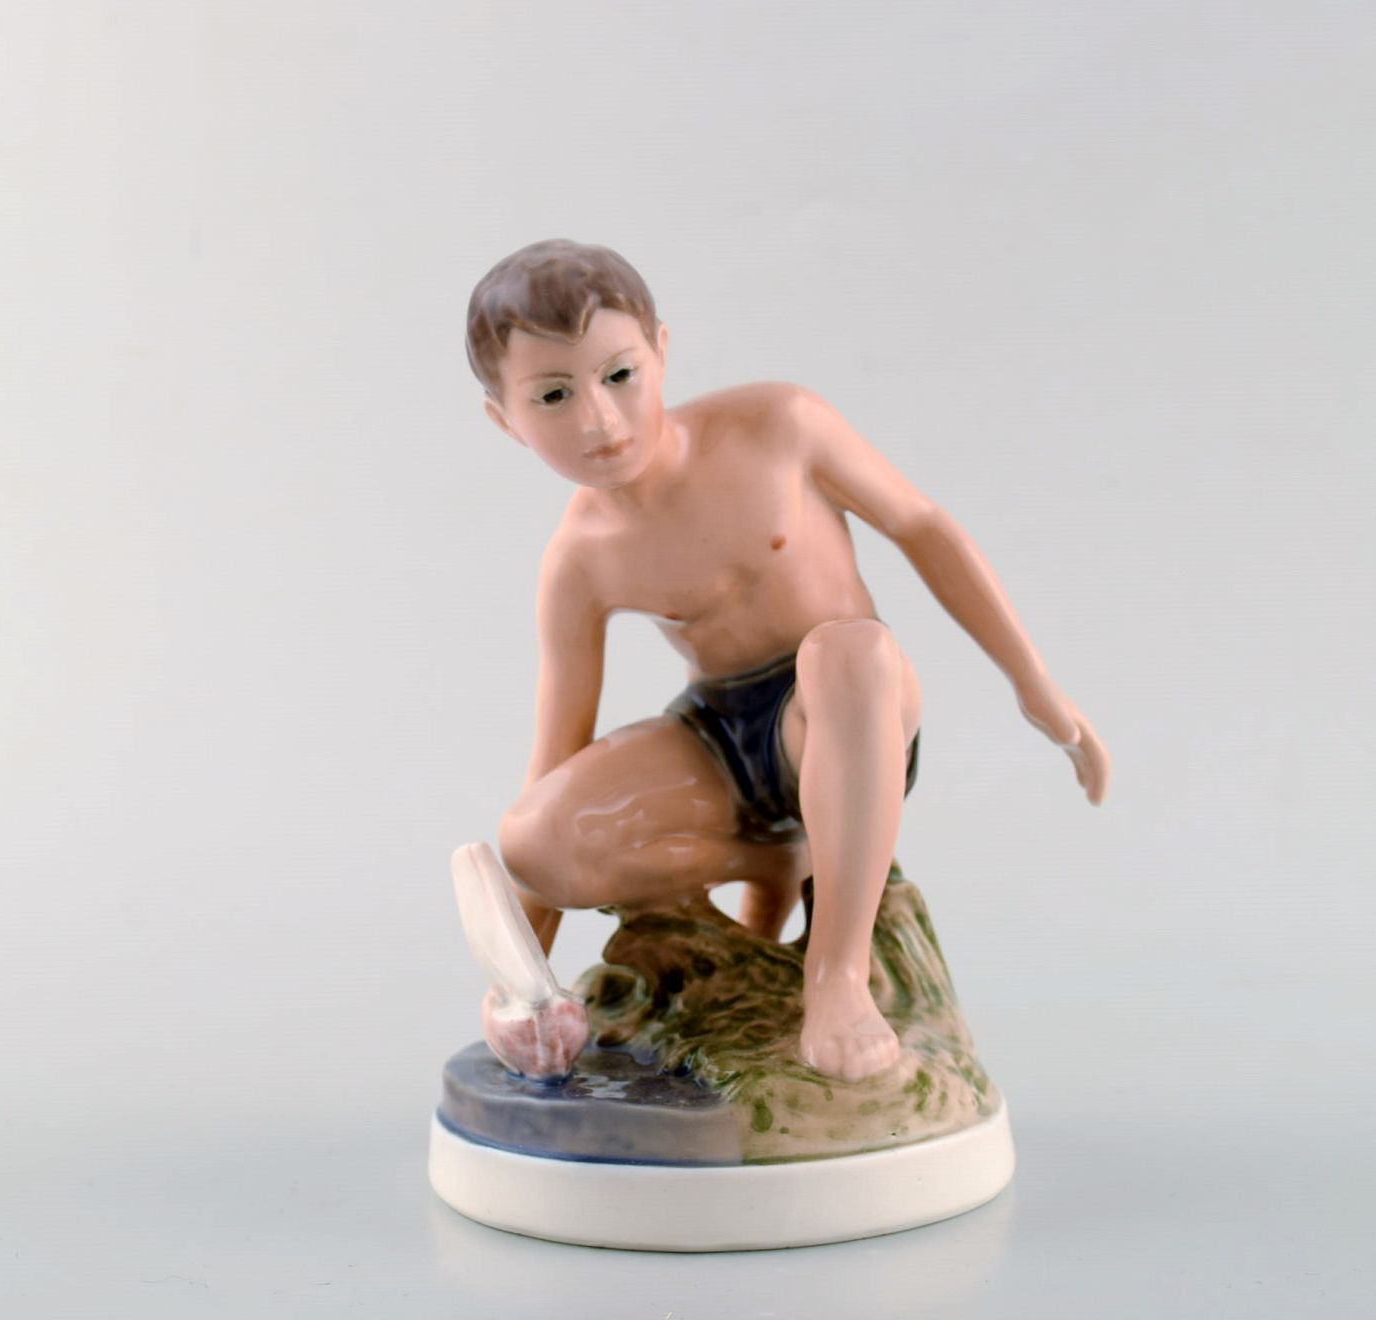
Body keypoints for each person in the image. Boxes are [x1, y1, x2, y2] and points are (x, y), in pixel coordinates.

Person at [465, 239, 1109, 1081]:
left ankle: (838, 975)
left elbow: (921, 526)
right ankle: (775, 857)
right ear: (505, 420)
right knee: (534, 837)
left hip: (849, 705)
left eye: (619, 375)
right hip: (721, 735)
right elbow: (557, 755)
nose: (600, 421)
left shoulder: (778, 425)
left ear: (661, 351)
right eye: (553, 395)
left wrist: (1033, 683)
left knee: (848, 650)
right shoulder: (579, 561)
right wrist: (522, 979)